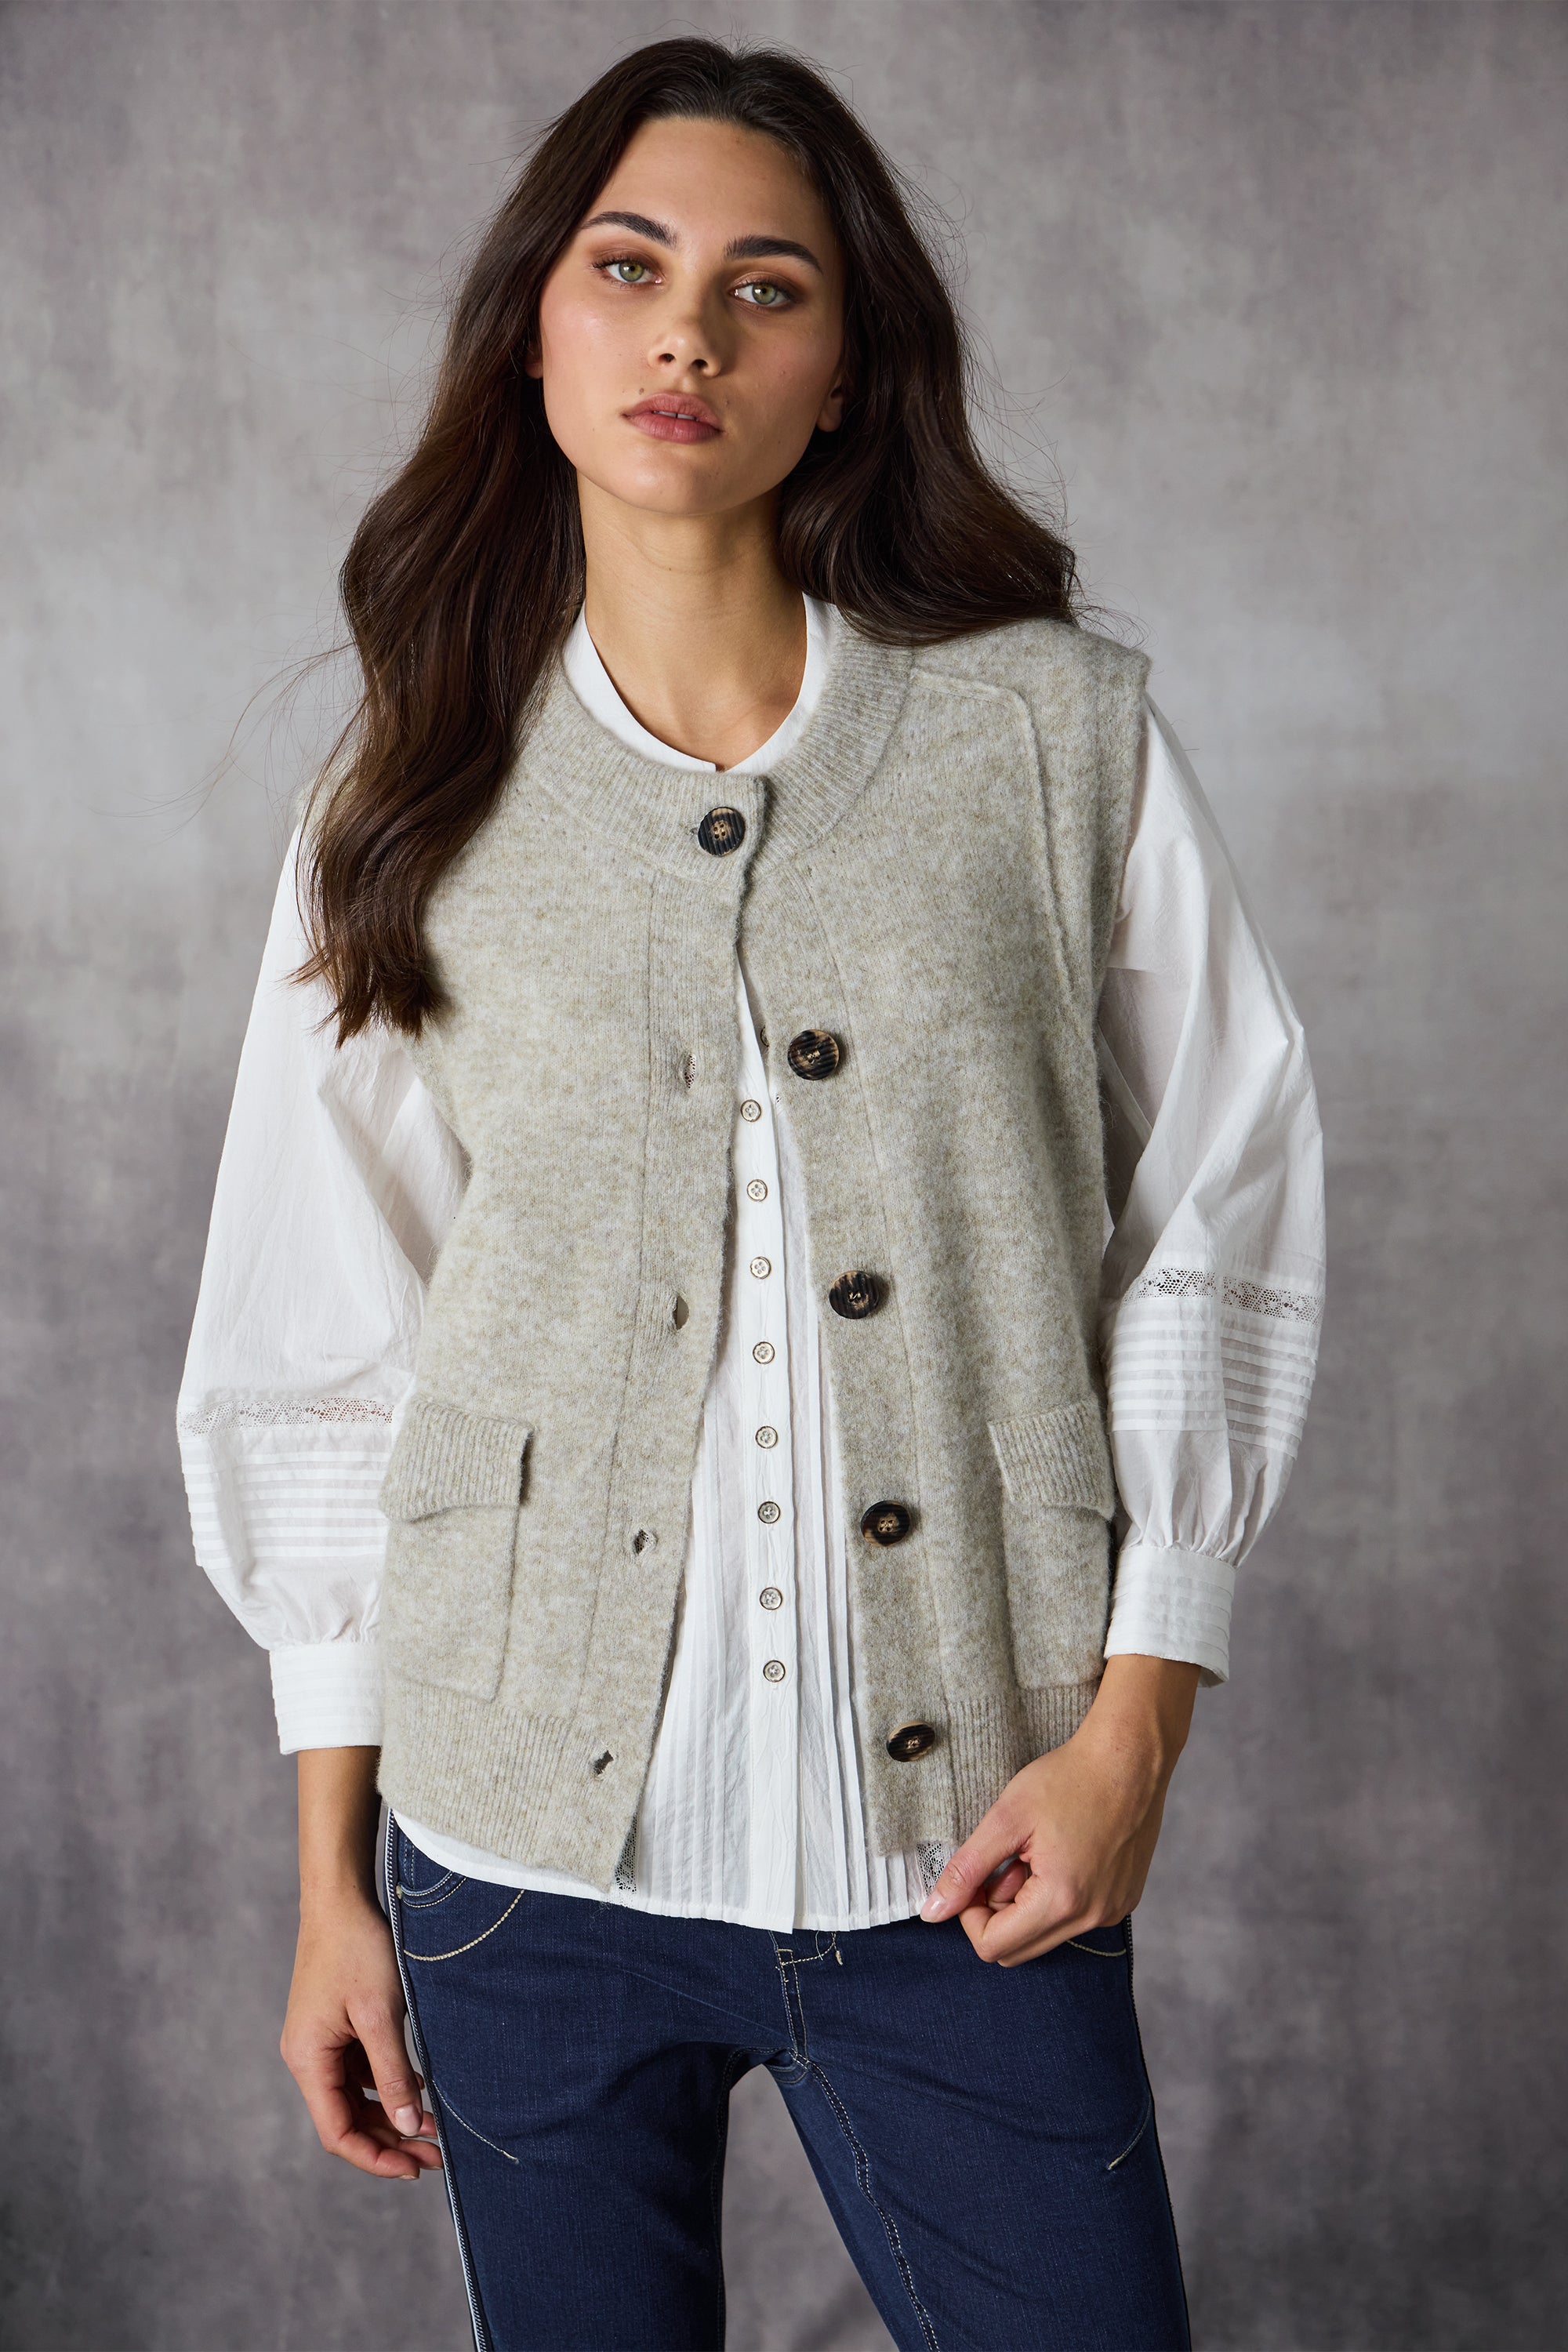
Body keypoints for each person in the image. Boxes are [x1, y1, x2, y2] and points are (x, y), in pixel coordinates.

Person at [177, 37, 1324, 2352]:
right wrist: (329, 1886)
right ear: (535, 333)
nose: (688, 333)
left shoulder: (1051, 734)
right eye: (629, 269)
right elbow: (323, 1334)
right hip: (517, 1872)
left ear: (846, 374)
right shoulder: (410, 783)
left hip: (976, 1848)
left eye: (765, 287)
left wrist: (1133, 1731)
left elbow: (1228, 1200)